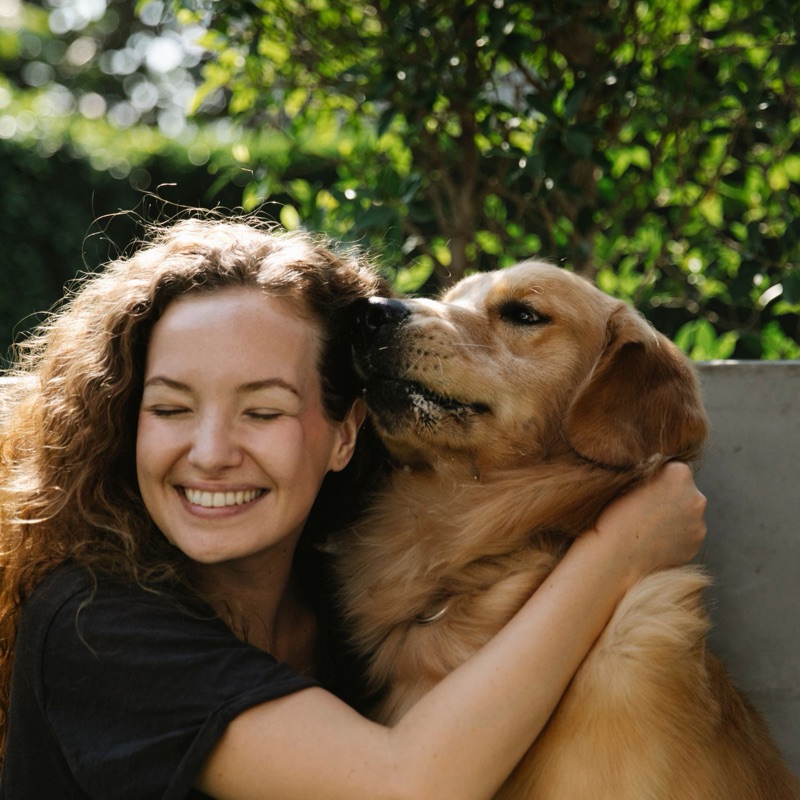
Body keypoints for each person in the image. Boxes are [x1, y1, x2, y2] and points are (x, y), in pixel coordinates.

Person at [0, 215, 707, 800]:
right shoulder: (97, 627)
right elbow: (406, 786)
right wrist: (619, 551)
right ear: (128, 424)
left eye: (264, 411)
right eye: (170, 408)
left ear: (346, 433)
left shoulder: (356, 602)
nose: (211, 452)